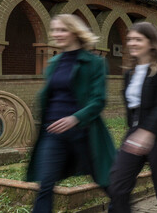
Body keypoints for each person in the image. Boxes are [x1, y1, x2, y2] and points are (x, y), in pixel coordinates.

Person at [25, 14, 116, 213]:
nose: (57, 34)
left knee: (107, 182)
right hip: (53, 132)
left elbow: (98, 100)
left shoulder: (94, 62)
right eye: (54, 30)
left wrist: (75, 118)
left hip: (84, 132)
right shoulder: (54, 62)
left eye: (62, 30)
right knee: (45, 185)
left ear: (75, 32)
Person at [108, 22, 157, 212]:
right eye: (130, 39)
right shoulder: (129, 73)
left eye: (138, 39)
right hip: (135, 131)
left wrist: (147, 132)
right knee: (118, 184)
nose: (132, 43)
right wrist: (135, 130)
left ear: (151, 43)